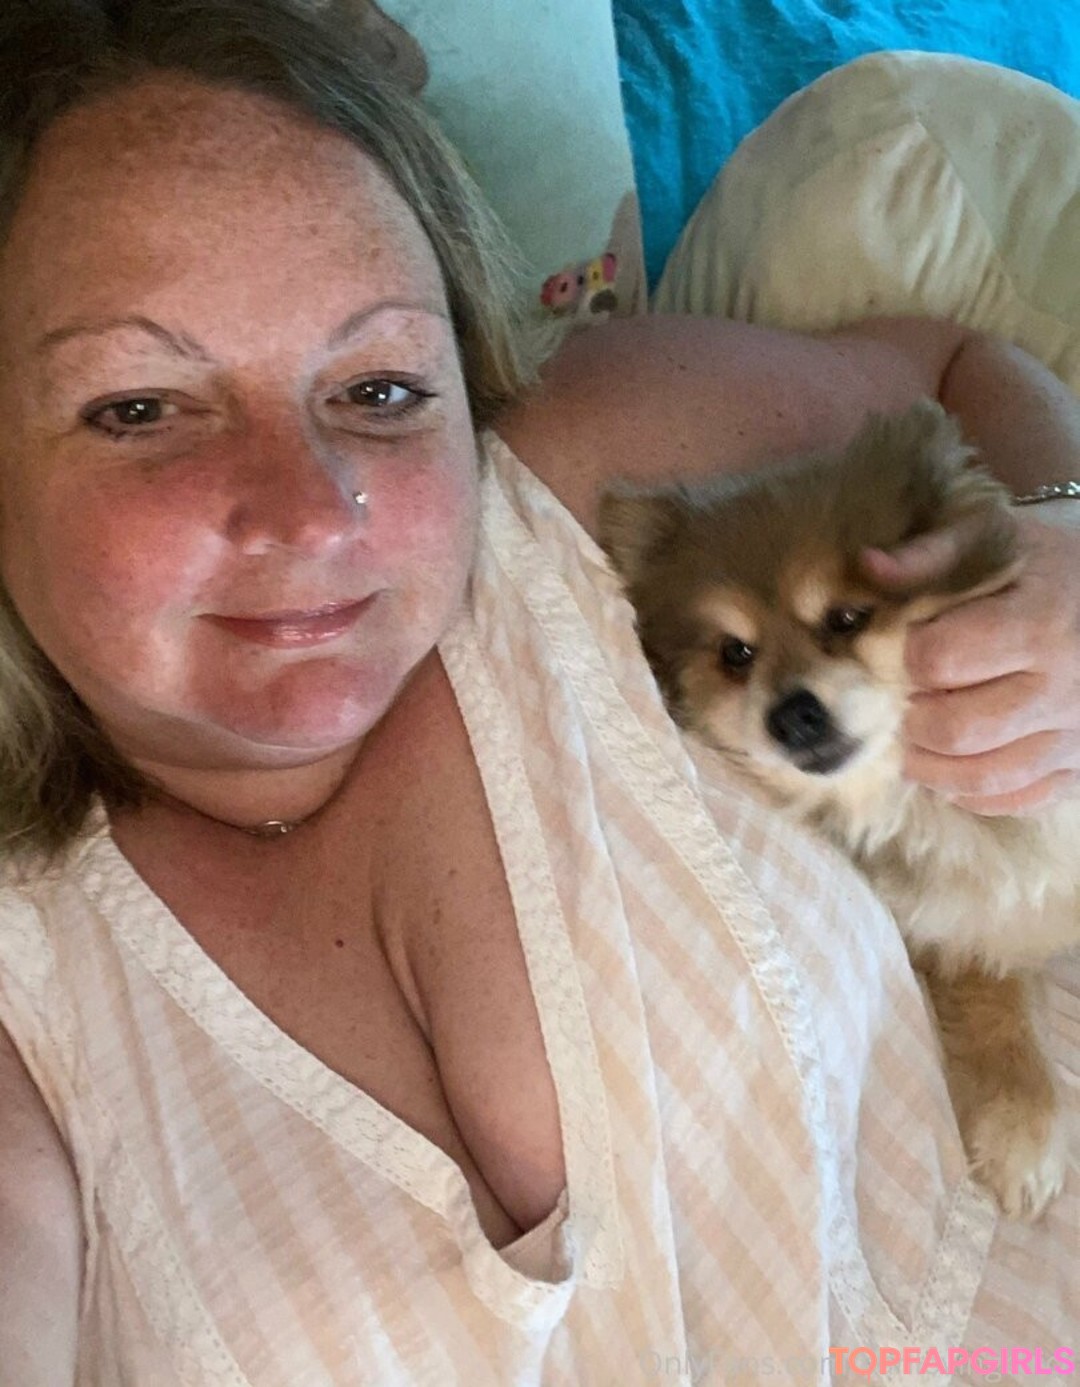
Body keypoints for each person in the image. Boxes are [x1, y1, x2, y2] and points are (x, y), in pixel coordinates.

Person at [0, 2, 1076, 1382]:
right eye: (140, 408)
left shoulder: (572, 484)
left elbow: (956, 374)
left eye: (380, 388)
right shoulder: (28, 984)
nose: (313, 512)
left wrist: (1059, 539)